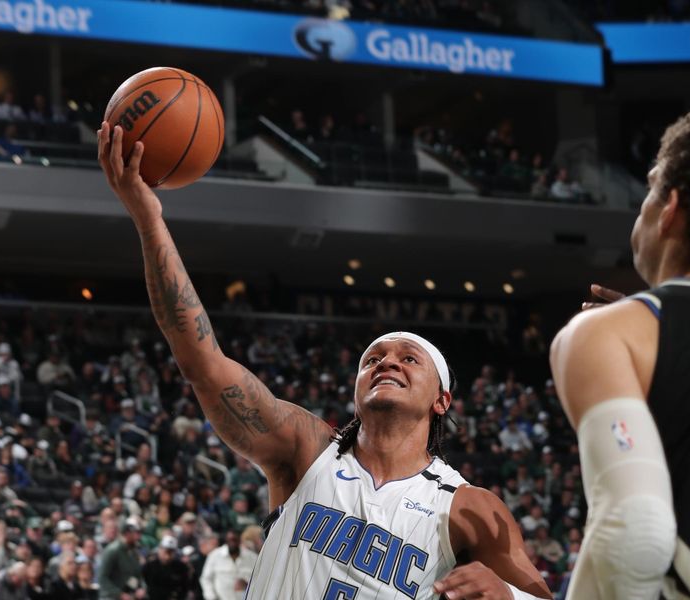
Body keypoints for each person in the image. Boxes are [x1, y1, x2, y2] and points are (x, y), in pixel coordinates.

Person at [98, 121, 550, 599]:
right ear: (355, 390)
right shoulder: (305, 450)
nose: (386, 362)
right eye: (372, 358)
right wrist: (149, 219)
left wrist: (508, 596)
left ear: (442, 400)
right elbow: (202, 361)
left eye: (409, 358)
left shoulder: (468, 507)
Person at [551, 106, 690, 599]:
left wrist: (632, 330)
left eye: (650, 188)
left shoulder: (612, 332)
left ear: (670, 207)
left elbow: (635, 531)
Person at [201, 529, 256, 600]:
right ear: (226, 541)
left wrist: (247, 585)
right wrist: (211, 597)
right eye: (229, 540)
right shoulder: (215, 555)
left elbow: (259, 580)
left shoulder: (252, 557)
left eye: (234, 540)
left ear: (239, 540)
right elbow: (206, 578)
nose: (232, 543)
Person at [98, 517, 144, 600]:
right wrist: (119, 594)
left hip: (128, 594)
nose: (138, 537)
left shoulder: (133, 552)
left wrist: (141, 588)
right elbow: (102, 577)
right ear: (127, 533)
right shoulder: (113, 550)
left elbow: (138, 576)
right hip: (110, 596)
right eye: (136, 533)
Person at [142, 535, 190, 600]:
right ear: (160, 549)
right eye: (165, 552)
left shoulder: (181, 567)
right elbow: (144, 584)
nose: (167, 556)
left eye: (171, 552)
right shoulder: (149, 566)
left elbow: (185, 588)